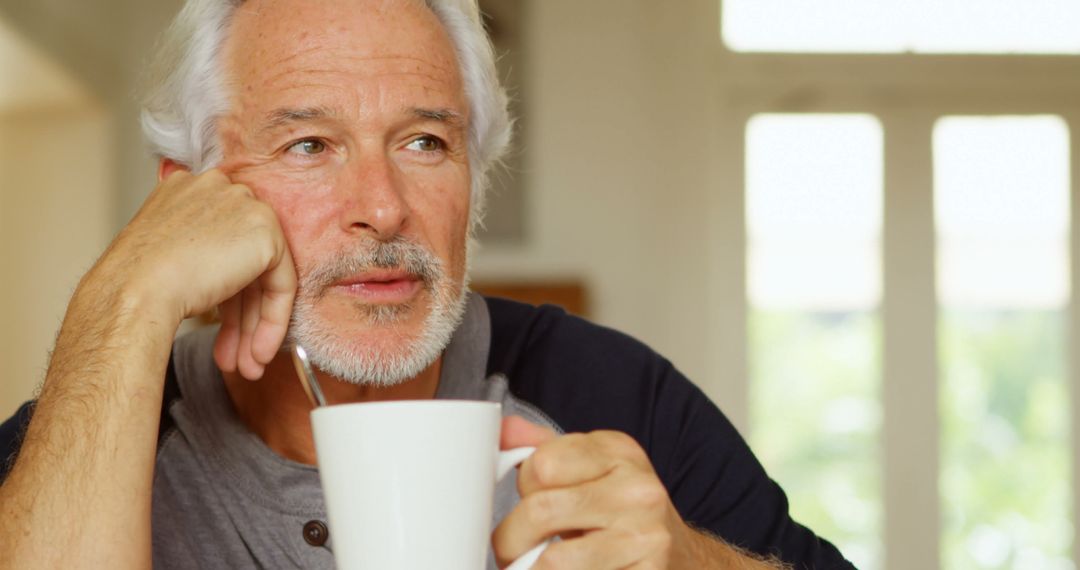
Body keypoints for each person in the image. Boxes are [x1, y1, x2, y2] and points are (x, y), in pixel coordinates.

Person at [0, 0, 855, 568]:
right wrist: (125, 297)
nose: (381, 208)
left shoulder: (614, 393)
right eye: (309, 146)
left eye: (424, 143)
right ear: (186, 203)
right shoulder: (86, 437)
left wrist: (691, 564)